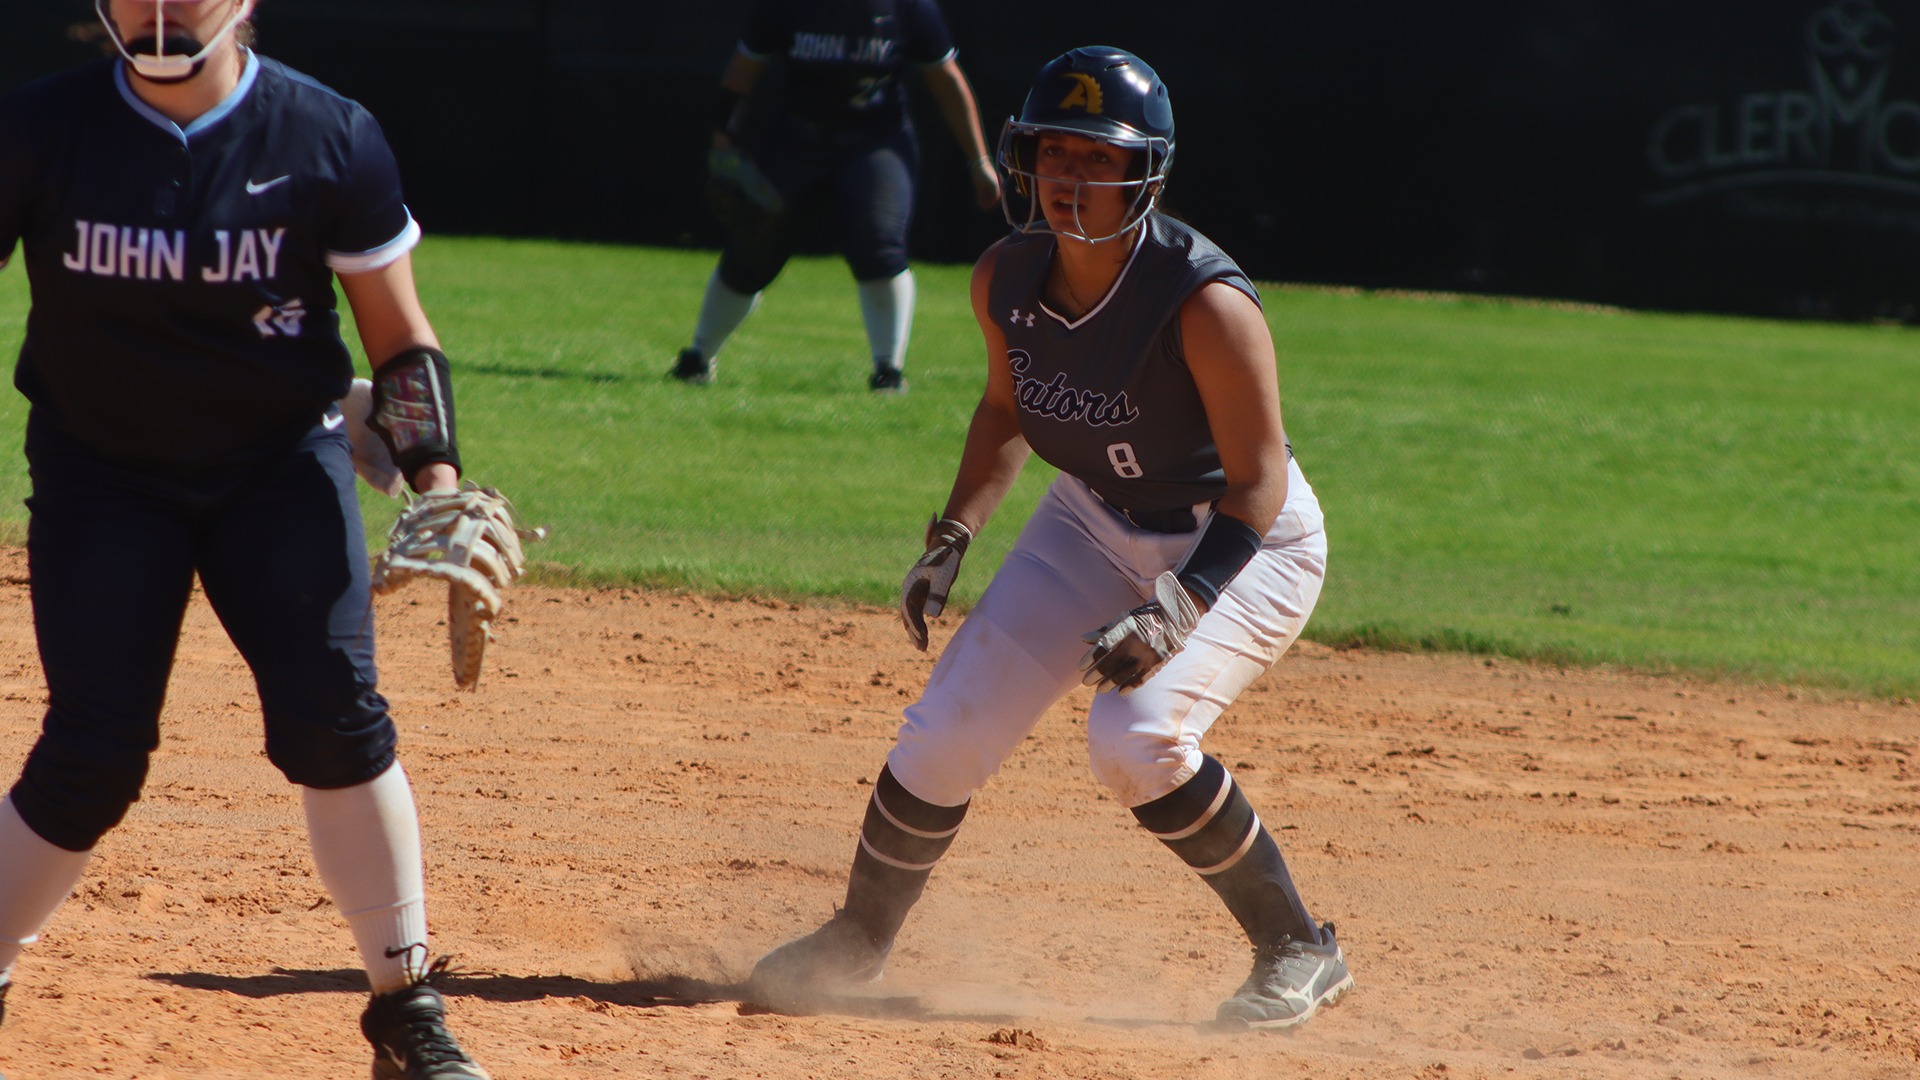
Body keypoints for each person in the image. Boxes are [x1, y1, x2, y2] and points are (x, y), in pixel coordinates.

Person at [747, 46, 1352, 1030]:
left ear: (1144, 173)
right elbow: (1004, 411)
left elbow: (1257, 480)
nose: (1072, 177)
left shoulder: (1204, 302)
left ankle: (1298, 948)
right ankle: (857, 939)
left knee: (1137, 740)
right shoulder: (1007, 276)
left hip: (1238, 544)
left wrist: (1179, 605)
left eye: (1098, 158)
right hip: (1088, 517)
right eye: (1056, 152)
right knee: (946, 732)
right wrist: (953, 535)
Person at [0, 3, 490, 1076]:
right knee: (92, 753)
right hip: (102, 475)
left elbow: (400, 339)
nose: (159, 7)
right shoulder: (43, 128)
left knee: (338, 722)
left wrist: (437, 478)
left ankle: (406, 1011)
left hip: (279, 469)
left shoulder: (325, 133)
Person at [668, 0, 1001, 392]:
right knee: (755, 246)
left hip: (875, 139)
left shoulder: (907, 8)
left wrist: (978, 160)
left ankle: (888, 370)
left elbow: (946, 78)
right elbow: (745, 67)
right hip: (798, 137)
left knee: (879, 239)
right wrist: (724, 142)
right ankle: (699, 356)